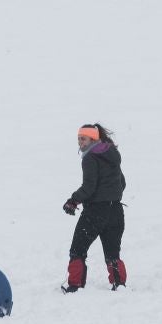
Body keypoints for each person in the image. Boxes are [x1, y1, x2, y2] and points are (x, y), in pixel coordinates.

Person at [62, 123, 128, 292]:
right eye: (78, 139)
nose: (80, 143)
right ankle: (119, 284)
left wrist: (73, 201)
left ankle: (74, 286)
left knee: (77, 249)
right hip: (116, 212)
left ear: (93, 139)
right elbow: (123, 183)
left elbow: (89, 187)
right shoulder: (112, 155)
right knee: (113, 253)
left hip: (95, 212)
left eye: (83, 139)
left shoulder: (90, 158)